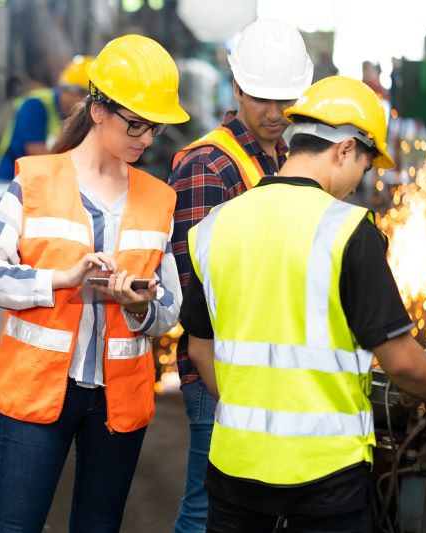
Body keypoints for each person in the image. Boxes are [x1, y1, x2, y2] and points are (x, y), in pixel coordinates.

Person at [181, 75, 426, 532]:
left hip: (235, 467)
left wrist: (252, 412)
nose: (358, 182)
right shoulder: (349, 230)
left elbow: (200, 348)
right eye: (363, 167)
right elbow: (400, 360)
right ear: (343, 149)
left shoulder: (214, 227)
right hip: (325, 475)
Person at [0, 34, 189, 532]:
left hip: (118, 396)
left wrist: (139, 305)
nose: (147, 139)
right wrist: (60, 279)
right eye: (137, 124)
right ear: (98, 109)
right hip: (41, 387)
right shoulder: (37, 181)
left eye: (155, 127)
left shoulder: (158, 199)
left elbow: (170, 304)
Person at [166, 18, 313, 532]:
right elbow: (194, 291)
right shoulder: (209, 166)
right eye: (262, 100)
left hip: (261, 371)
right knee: (207, 510)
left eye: (286, 100)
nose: (275, 114)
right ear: (236, 89)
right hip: (219, 372)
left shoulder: (285, 158)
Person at [0, 54, 95, 179]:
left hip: (47, 181)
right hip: (12, 181)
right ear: (75, 92)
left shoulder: (82, 115)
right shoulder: (34, 106)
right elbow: (38, 157)